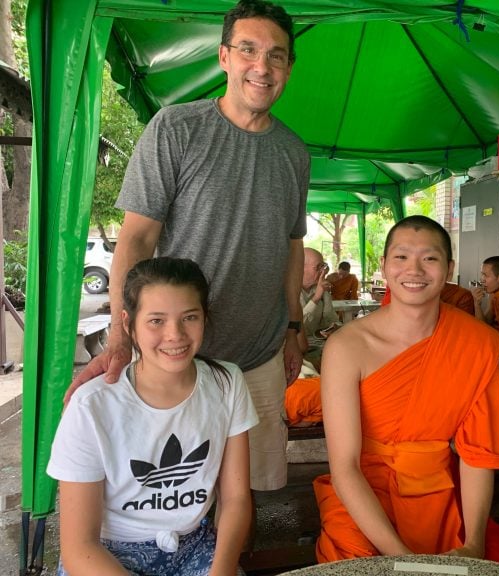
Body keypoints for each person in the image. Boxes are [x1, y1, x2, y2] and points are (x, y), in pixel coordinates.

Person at [67, 0, 308, 505]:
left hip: (260, 356)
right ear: (224, 56)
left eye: (277, 56)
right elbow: (136, 239)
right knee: (173, 492)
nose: (261, 67)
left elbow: (291, 245)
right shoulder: (177, 128)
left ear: (289, 68)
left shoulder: (294, 152)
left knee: (246, 495)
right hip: (177, 352)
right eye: (248, 49)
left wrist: (293, 326)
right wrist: (121, 330)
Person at [313, 215, 499, 564]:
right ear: (383, 265)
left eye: (429, 258)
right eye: (401, 257)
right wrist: (403, 559)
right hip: (363, 493)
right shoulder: (347, 346)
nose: (415, 270)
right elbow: (345, 467)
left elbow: (477, 455)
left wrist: (473, 543)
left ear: (449, 268)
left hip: (437, 490)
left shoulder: (475, 342)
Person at [48, 257, 258, 576]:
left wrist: (222, 571)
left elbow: (236, 499)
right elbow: (79, 548)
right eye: (156, 321)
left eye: (189, 317)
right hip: (108, 557)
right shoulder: (91, 406)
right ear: (128, 323)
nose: (175, 335)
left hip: (193, 547)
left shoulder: (227, 383)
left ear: (205, 318)